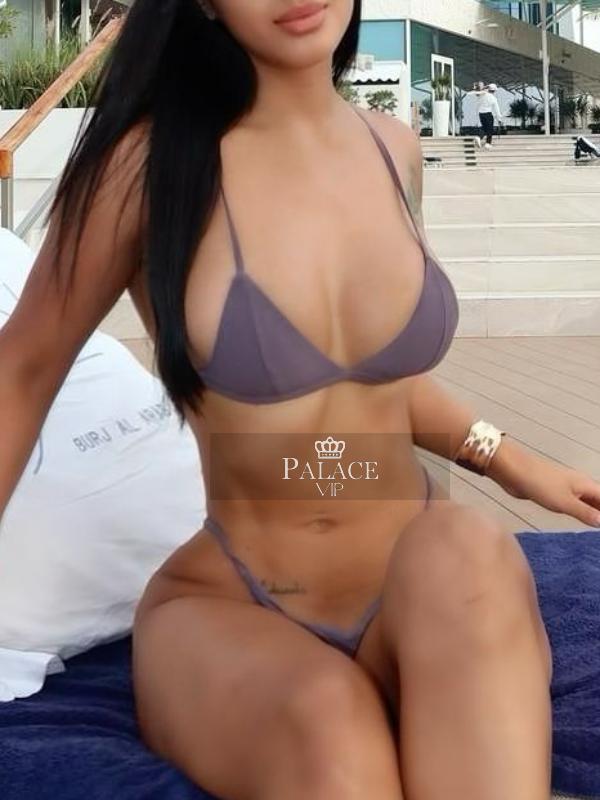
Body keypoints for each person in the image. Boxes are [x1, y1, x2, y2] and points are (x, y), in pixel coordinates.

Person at [4, 0, 600, 797]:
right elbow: (23, 373)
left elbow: (366, 375)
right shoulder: (147, 169)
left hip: (417, 582)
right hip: (238, 600)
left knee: (470, 547)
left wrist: (512, 461)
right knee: (332, 730)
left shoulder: (392, 148)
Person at [470, 81, 503, 149]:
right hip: (488, 114)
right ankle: (488, 143)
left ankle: (479, 137)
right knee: (490, 129)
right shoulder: (493, 98)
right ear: (494, 91)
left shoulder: (482, 95)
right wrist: (499, 119)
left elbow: (477, 98)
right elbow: (496, 109)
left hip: (481, 114)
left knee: (484, 128)